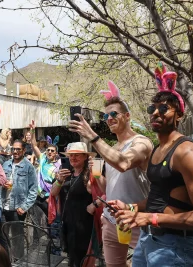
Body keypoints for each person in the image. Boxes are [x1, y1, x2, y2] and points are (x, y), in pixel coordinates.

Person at [109, 65, 193, 266]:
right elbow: (159, 197)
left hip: (175, 247)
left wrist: (151, 218)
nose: (156, 113)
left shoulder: (188, 152)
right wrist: (132, 207)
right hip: (147, 241)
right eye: (153, 108)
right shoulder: (158, 150)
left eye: (164, 108)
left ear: (179, 115)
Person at [68, 81, 153, 267]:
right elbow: (110, 188)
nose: (109, 118)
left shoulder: (141, 143)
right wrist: (98, 176)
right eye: (106, 115)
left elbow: (124, 163)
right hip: (110, 220)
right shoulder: (112, 149)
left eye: (114, 113)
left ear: (127, 116)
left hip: (135, 219)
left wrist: (92, 136)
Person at [50, 142, 95, 267]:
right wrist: (59, 180)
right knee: (71, 257)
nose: (73, 158)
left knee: (83, 258)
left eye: (77, 155)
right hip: (67, 222)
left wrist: (93, 172)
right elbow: (53, 192)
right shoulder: (66, 173)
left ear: (85, 157)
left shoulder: (88, 174)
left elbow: (97, 192)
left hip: (83, 224)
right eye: (71, 155)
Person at [0, 140, 38, 253]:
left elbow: (33, 190)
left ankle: (18, 261)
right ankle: (6, 261)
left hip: (17, 208)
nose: (15, 151)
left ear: (24, 150)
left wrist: (24, 207)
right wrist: (2, 183)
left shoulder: (29, 167)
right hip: (3, 206)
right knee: (3, 237)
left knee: (17, 238)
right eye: (13, 149)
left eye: (18, 149)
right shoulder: (6, 164)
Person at [29, 121, 61, 216]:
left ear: (56, 153)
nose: (50, 152)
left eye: (52, 151)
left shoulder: (58, 166)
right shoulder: (42, 158)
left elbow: (59, 185)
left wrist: (53, 199)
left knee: (49, 224)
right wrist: (32, 131)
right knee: (37, 224)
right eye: (48, 150)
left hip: (49, 199)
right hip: (37, 197)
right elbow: (34, 145)